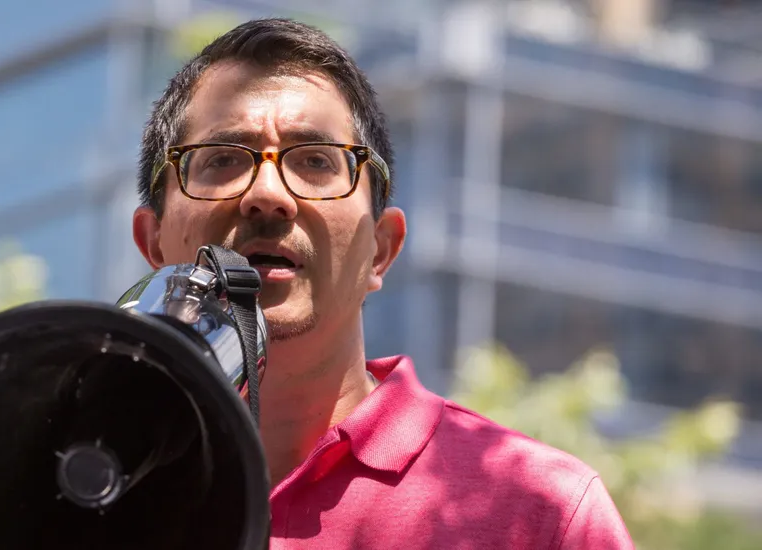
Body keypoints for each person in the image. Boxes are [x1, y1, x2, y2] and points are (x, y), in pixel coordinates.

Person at [131, 17, 633, 549]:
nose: (269, 193)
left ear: (382, 249)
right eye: (224, 159)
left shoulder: (542, 513)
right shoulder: (65, 472)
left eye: (317, 161)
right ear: (154, 241)